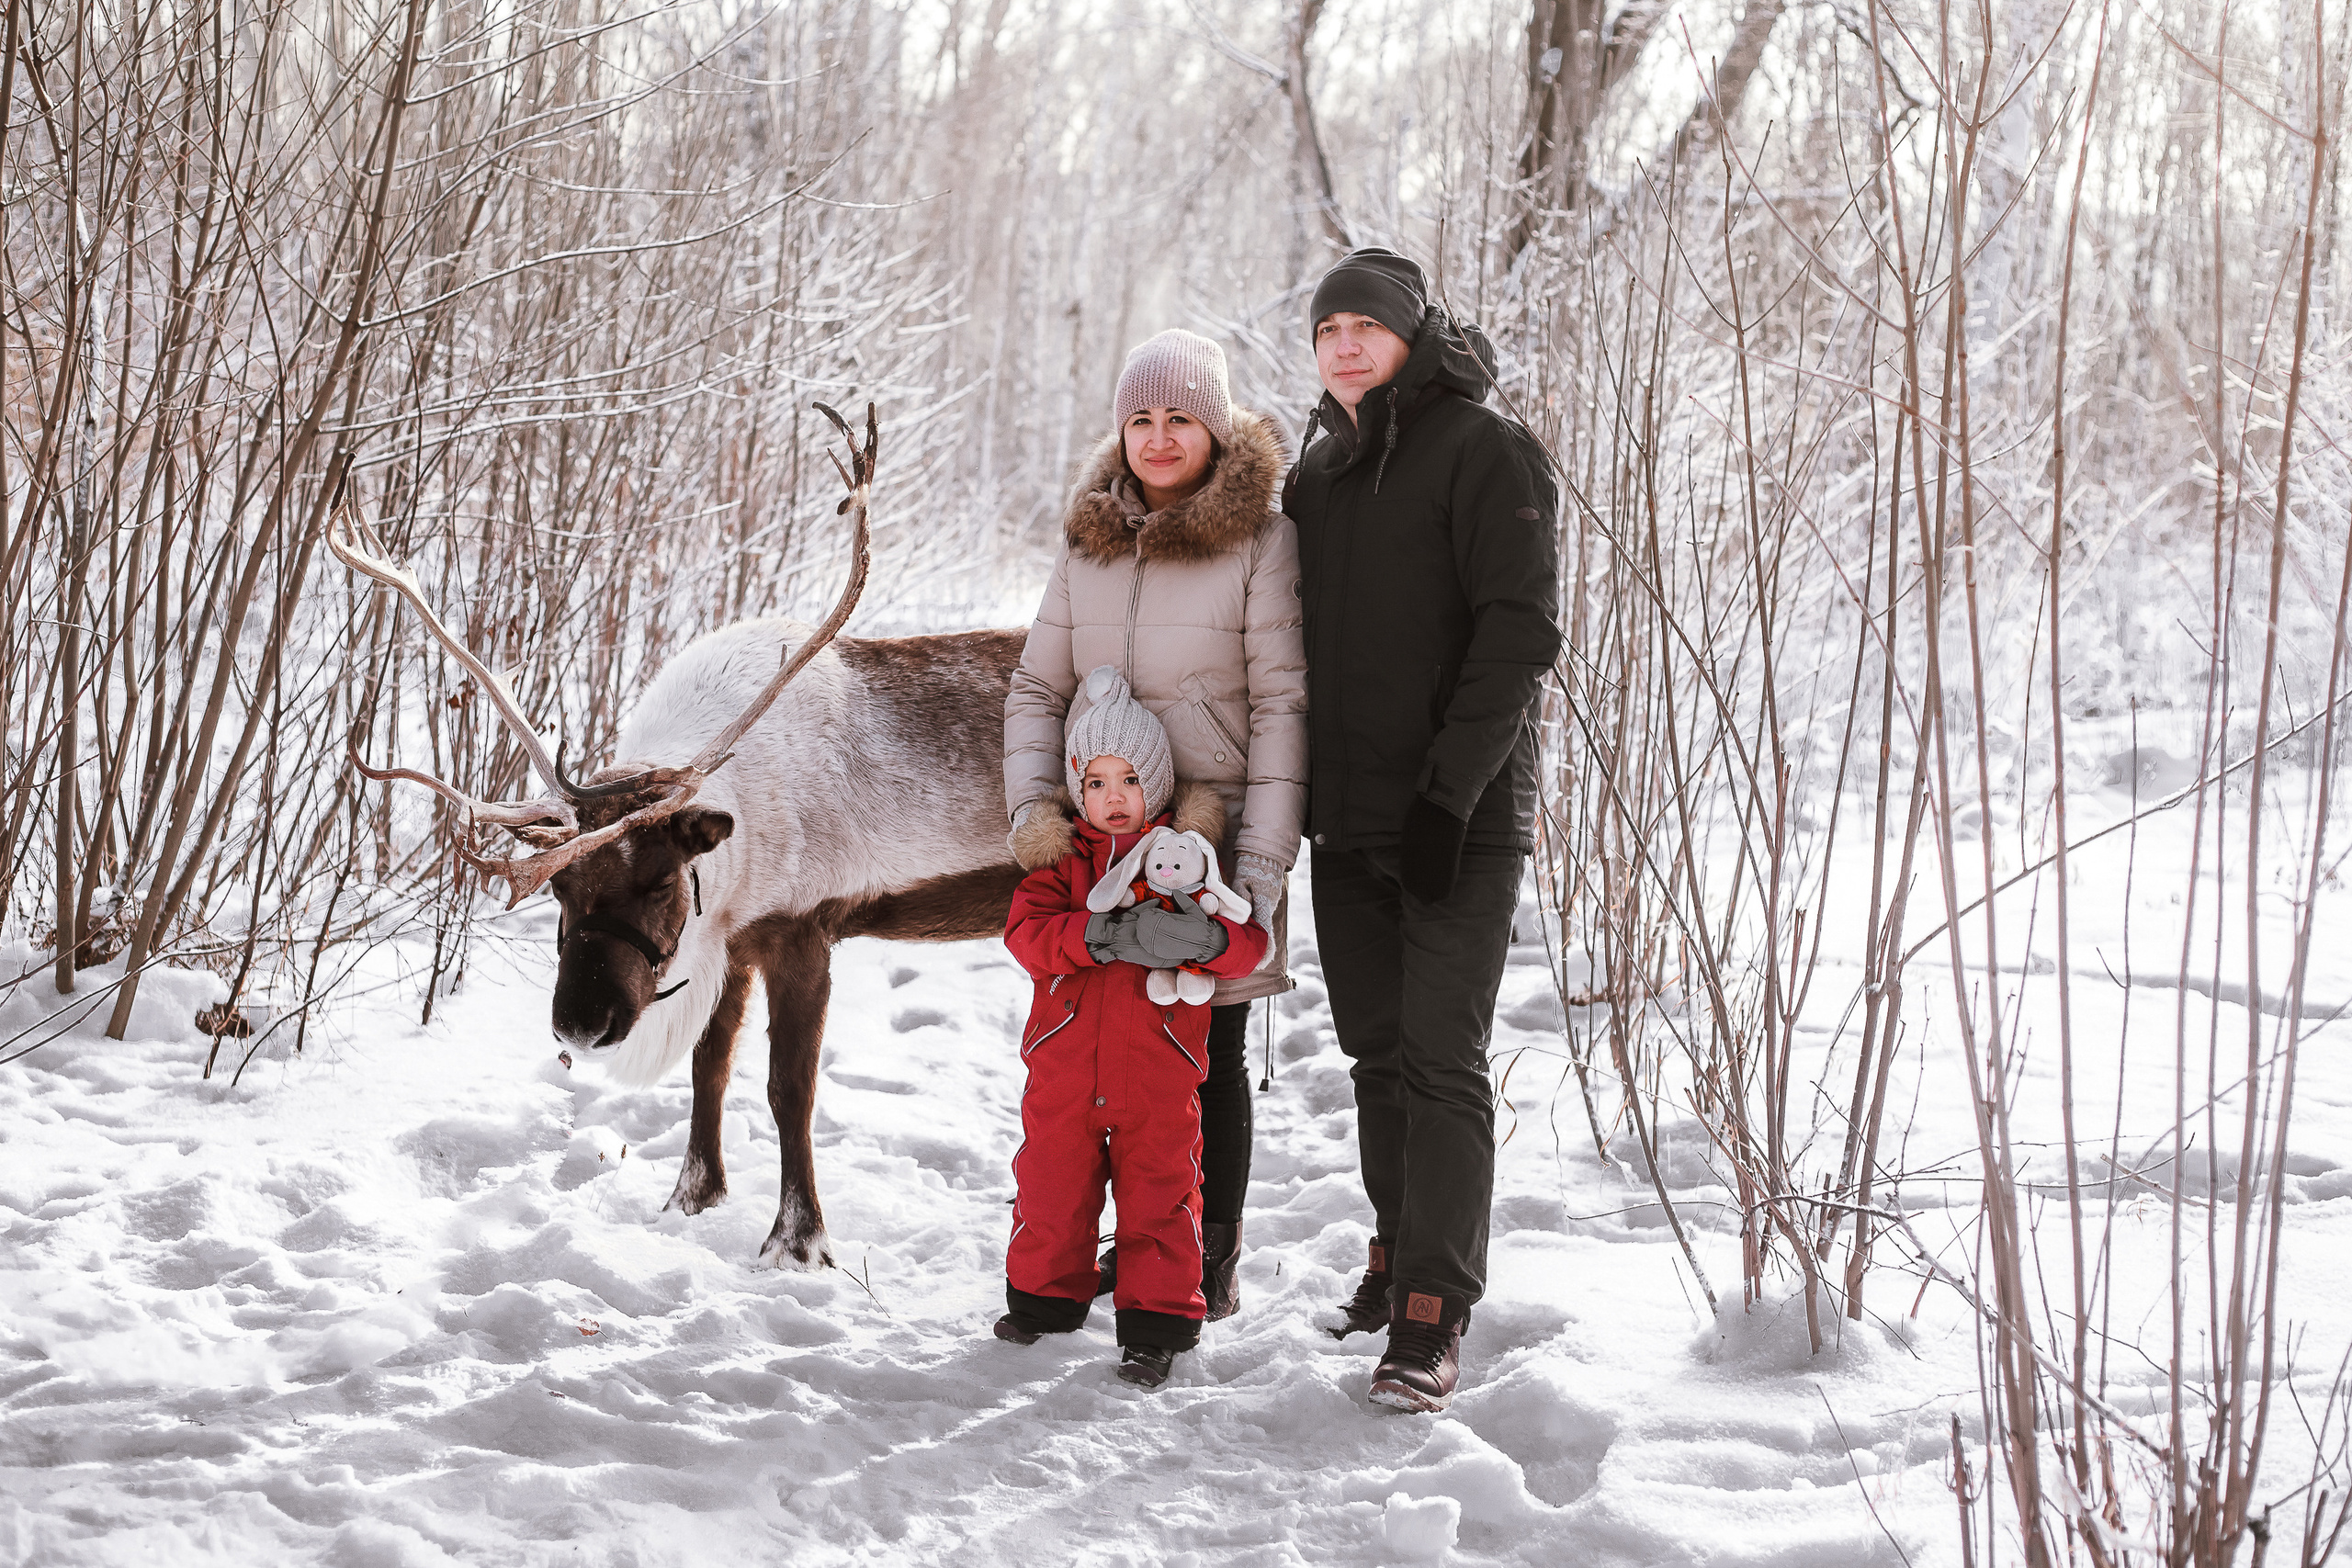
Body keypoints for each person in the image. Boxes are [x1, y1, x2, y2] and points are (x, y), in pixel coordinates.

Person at [1283, 247, 1561, 1413]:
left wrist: (1451, 795)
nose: (1345, 343)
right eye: (1327, 327)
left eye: (1367, 324)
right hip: (1346, 826)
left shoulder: (1484, 452)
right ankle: (1395, 1257)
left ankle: (1433, 1317)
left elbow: (1519, 636)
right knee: (1376, 1056)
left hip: (1458, 820)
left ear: (1411, 334)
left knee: (1442, 1063)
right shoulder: (1318, 477)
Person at [1005, 327, 1306, 1322]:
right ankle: (1109, 1250)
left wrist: (1258, 859)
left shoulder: (1258, 539)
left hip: (1203, 843)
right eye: (1141, 418)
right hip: (1098, 836)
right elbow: (1034, 689)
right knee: (1094, 1055)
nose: (1159, 436)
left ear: (1214, 429)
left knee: (1203, 1050)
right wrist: (1034, 816)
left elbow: (1282, 707)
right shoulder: (1087, 540)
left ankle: (1200, 1263)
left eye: (1180, 417)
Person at [998, 668, 1270, 1388]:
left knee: (1161, 1194)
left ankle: (1155, 1325)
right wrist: (1099, 935)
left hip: (1158, 1071)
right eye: (1094, 782)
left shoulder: (1183, 867)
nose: (1112, 798)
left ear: (1156, 784)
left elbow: (1248, 943)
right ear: (1076, 790)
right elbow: (1027, 935)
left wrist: (1210, 944)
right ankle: (1042, 1299)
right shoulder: (1061, 868)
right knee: (1052, 1183)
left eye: (1128, 780)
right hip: (1065, 1066)